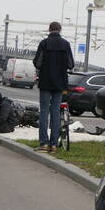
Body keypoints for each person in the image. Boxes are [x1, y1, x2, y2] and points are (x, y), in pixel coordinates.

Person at [33, 21, 74, 152]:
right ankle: (54, 144)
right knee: (56, 112)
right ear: (60, 30)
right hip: (60, 83)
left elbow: (37, 63)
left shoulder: (44, 43)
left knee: (44, 112)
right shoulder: (66, 44)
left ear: (49, 30)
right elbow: (71, 64)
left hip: (45, 82)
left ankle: (43, 143)